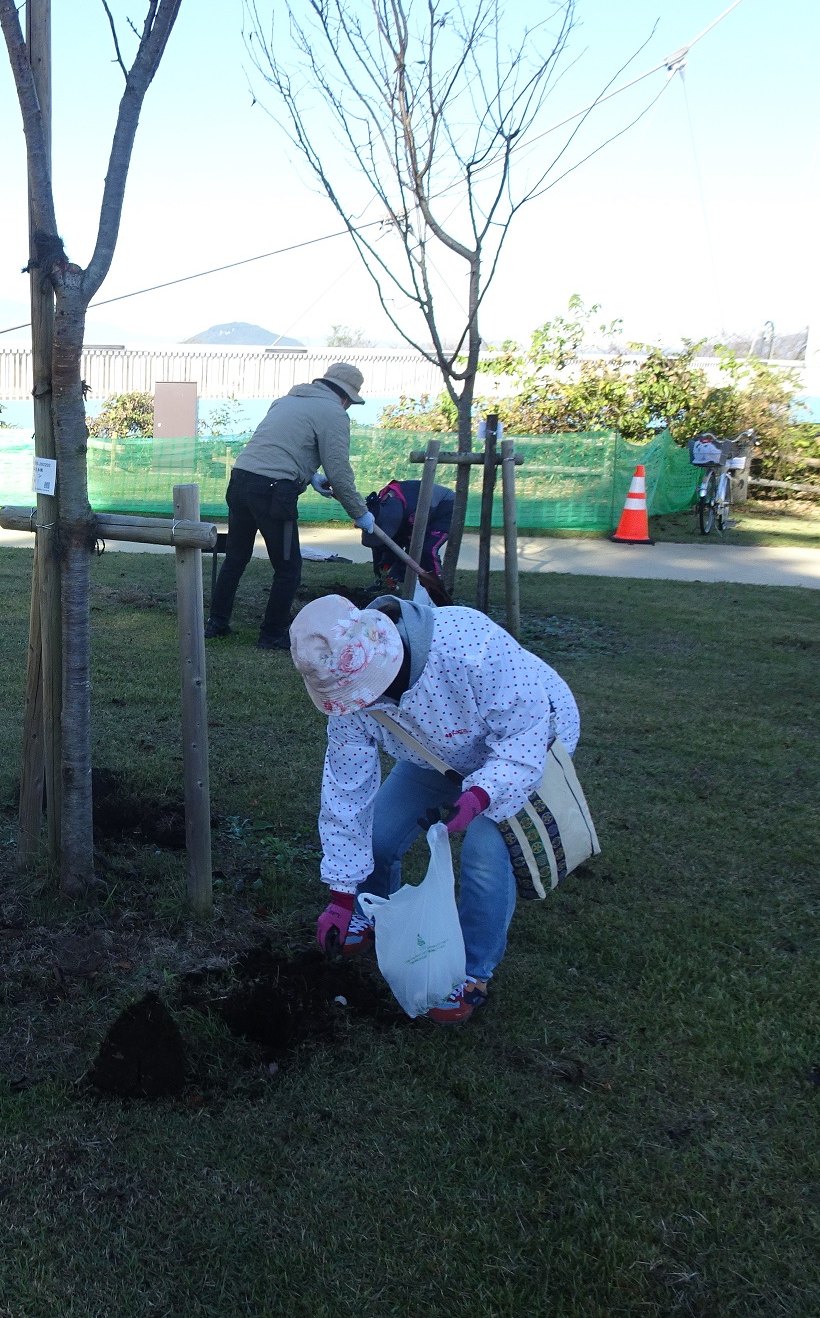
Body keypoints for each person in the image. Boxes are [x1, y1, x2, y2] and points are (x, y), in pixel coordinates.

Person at [288, 591, 581, 1024]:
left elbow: (524, 737)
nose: (361, 703)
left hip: (530, 742)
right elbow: (347, 792)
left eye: (364, 690)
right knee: (380, 834)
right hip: (435, 753)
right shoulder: (348, 699)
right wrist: (340, 895)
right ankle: (373, 909)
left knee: (485, 854)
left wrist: (481, 794)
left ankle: (473, 971)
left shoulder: (469, 646)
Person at [206, 362, 376, 649]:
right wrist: (360, 513)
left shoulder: (285, 401)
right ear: (346, 397)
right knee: (288, 568)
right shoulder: (334, 412)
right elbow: (340, 471)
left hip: (241, 482)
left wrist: (311, 476)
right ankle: (272, 635)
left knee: (236, 557)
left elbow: (281, 447)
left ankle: (216, 623)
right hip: (274, 493)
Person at [354, 477, 454, 590]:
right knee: (383, 544)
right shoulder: (382, 505)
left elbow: (412, 545)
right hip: (411, 509)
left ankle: (437, 586)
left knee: (425, 549)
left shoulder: (412, 512)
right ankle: (390, 578)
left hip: (444, 507)